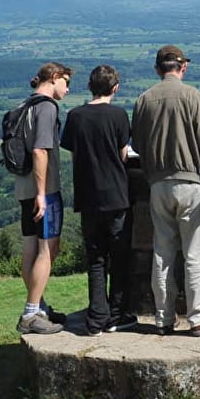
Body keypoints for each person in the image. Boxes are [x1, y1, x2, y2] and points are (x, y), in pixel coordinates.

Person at [131, 45, 200, 337]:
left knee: (162, 253)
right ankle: (196, 318)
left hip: (158, 184)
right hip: (192, 184)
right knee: (195, 253)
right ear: (182, 68)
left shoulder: (144, 99)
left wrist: (152, 173)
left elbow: (139, 144)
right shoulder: (193, 96)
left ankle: (163, 318)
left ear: (158, 69)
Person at [60, 64, 138, 334]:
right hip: (116, 195)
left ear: (90, 86)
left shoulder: (75, 116)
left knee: (95, 260)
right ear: (115, 88)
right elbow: (123, 154)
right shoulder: (118, 116)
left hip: (88, 195)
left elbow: (73, 154)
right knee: (119, 259)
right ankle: (116, 316)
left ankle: (95, 318)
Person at [15, 61, 74, 335]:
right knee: (47, 250)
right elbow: (40, 151)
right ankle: (30, 313)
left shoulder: (25, 106)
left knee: (31, 248)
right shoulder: (47, 108)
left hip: (23, 188)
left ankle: (39, 306)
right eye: (66, 81)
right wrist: (42, 194)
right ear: (53, 77)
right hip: (44, 191)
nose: (68, 88)